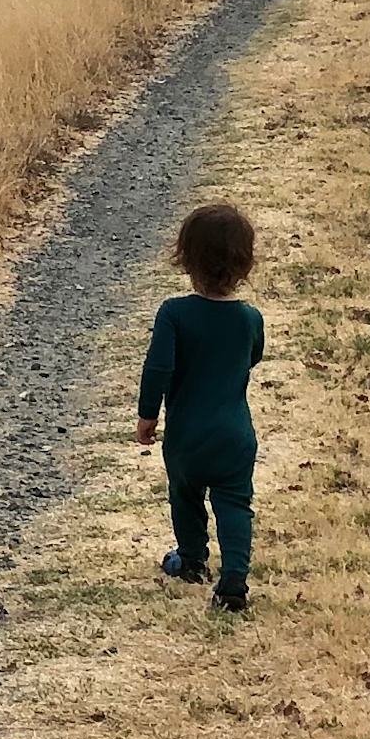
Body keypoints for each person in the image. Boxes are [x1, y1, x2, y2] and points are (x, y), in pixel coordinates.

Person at [137, 200, 265, 613]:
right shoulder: (250, 319)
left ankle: (192, 560)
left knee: (185, 495)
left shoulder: (174, 313)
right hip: (236, 435)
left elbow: (158, 368)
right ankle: (234, 581)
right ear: (244, 264)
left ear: (187, 258)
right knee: (235, 504)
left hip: (187, 435)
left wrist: (148, 414)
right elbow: (254, 356)